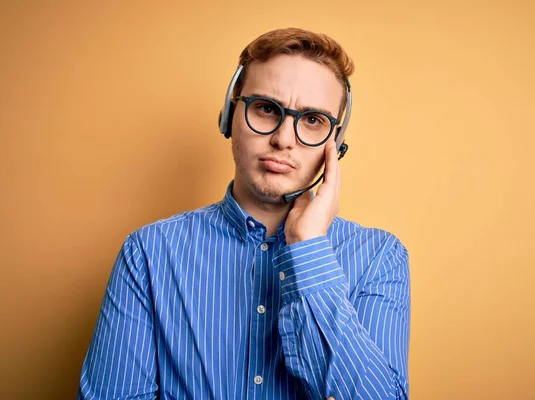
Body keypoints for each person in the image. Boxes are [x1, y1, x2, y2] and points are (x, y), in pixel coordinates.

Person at [78, 27, 411, 400]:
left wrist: (309, 248)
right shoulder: (149, 252)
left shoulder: (381, 257)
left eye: (313, 120)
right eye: (267, 109)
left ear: (336, 143)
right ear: (229, 116)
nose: (284, 139)